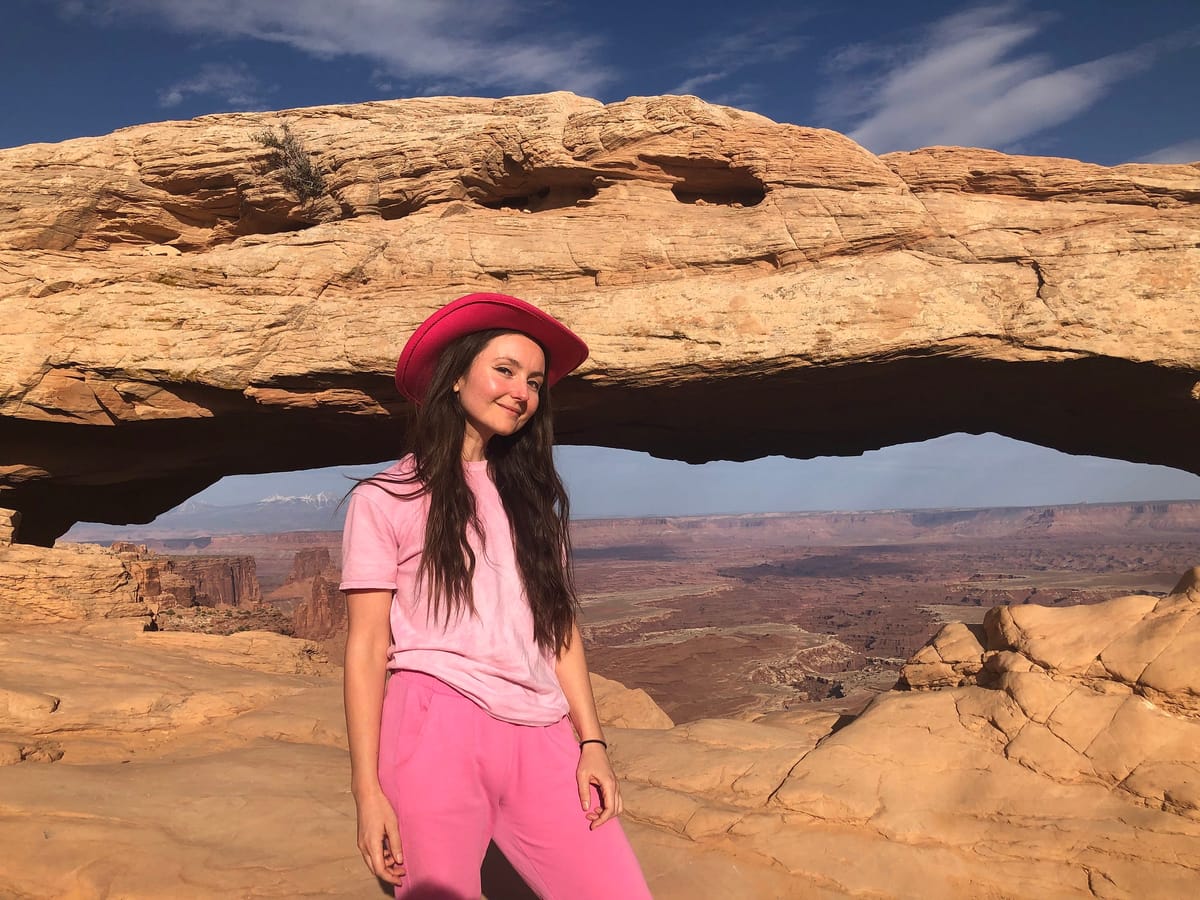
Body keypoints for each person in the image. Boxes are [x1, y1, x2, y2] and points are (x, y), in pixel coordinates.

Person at [340, 293, 652, 899]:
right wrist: (367, 791)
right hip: (435, 726)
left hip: (543, 731)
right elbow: (367, 645)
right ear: (455, 378)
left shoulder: (531, 500)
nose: (521, 392)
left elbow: (558, 631)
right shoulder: (387, 498)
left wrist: (591, 743)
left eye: (534, 381)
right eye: (504, 370)